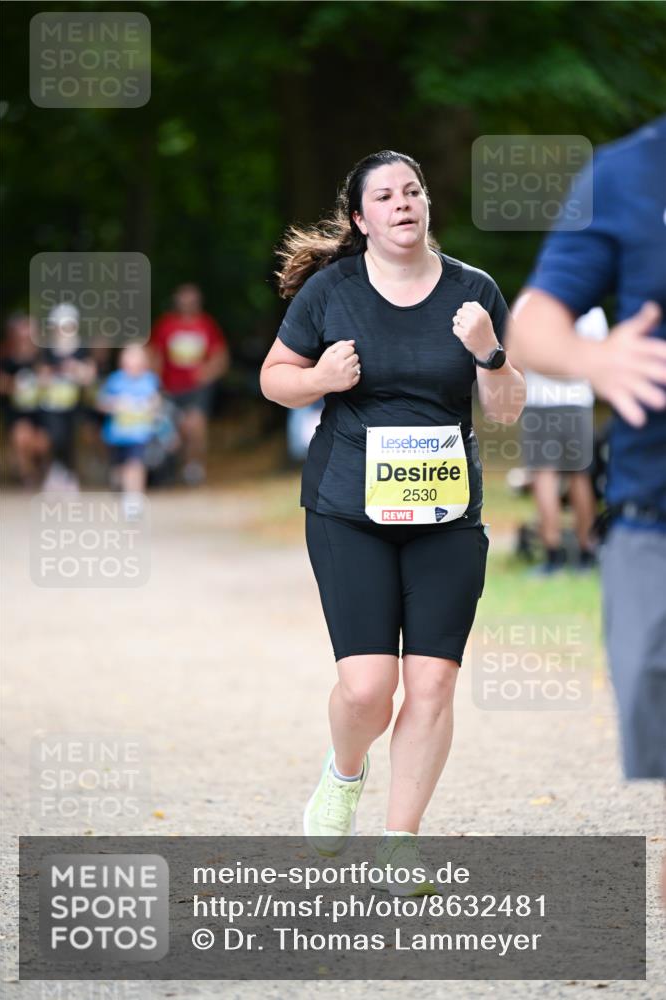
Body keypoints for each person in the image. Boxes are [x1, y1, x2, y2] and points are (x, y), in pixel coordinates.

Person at [260, 150, 525, 893]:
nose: (402, 203)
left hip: (445, 513)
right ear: (360, 218)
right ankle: (345, 773)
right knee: (366, 688)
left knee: (433, 685)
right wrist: (318, 379)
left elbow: (505, 409)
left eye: (412, 191)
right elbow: (273, 377)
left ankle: (400, 840)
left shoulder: (475, 294)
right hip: (350, 509)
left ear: (425, 205)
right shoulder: (330, 291)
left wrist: (491, 354)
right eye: (384, 195)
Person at [507, 117, 666, 891]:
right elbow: (532, 320)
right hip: (650, 495)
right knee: (644, 674)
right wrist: (593, 359)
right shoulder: (626, 174)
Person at [520, 306, 608, 574]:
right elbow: (599, 359)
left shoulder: (531, 301)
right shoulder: (592, 310)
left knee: (543, 476)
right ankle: (586, 552)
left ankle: (553, 556)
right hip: (576, 402)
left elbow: (517, 353)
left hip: (539, 402)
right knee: (580, 477)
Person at [148, 283, 230, 485]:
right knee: (174, 432)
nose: (187, 304)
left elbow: (221, 357)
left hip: (196, 389)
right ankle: (170, 469)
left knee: (195, 425)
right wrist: (155, 383)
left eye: (192, 300)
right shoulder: (165, 325)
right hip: (170, 388)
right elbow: (154, 355)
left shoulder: (207, 325)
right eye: (184, 299)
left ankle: (194, 467)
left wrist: (207, 373)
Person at [37, 303, 96, 492]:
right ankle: (58, 472)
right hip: (52, 405)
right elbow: (42, 376)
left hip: (75, 404)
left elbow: (89, 376)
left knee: (70, 439)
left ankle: (69, 474)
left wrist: (76, 369)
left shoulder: (82, 348)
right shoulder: (47, 350)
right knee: (56, 437)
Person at [97, 344, 160, 514]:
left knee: (135, 464)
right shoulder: (115, 380)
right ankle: (121, 488)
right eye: (128, 357)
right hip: (117, 435)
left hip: (139, 434)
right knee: (119, 468)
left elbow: (155, 402)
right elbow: (102, 403)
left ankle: (134, 497)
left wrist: (147, 407)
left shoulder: (150, 380)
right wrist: (115, 405)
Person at [0, 313, 50, 487]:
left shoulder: (43, 357)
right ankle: (27, 476)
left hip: (42, 411)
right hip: (16, 411)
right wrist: (13, 385)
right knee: (22, 437)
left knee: (41, 443)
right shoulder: (6, 357)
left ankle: (40, 469)